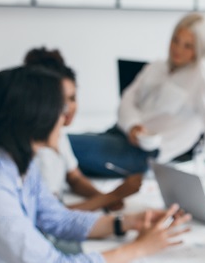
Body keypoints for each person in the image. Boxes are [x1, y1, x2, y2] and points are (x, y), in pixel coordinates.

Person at [0, 67, 191, 263]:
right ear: (34, 116)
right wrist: (138, 249)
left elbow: (58, 219)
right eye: (60, 108)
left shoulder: (20, 164)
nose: (64, 116)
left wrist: (128, 222)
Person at [69, 13, 205, 176]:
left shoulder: (203, 77)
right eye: (176, 40)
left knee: (63, 145)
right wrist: (133, 126)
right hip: (119, 134)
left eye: (188, 46)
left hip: (142, 154)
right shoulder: (157, 67)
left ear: (199, 49)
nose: (177, 49)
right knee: (59, 149)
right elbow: (127, 99)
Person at [23, 47, 140, 212]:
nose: (68, 108)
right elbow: (50, 217)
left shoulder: (59, 135)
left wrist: (101, 197)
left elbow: (74, 178)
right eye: (61, 101)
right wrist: (111, 196)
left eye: (72, 98)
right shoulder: (36, 153)